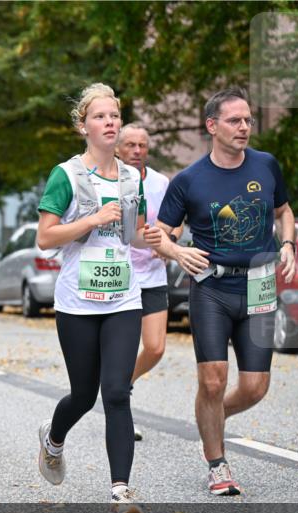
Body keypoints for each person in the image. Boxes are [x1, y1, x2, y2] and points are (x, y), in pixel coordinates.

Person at [148, 87, 296, 496]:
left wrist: (288, 244)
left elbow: (284, 213)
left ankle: (209, 421)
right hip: (211, 287)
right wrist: (177, 251)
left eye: (248, 120)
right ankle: (217, 463)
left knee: (255, 388)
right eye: (235, 120)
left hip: (260, 284)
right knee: (212, 381)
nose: (244, 127)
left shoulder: (266, 166)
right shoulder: (189, 180)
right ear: (212, 126)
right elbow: (160, 235)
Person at [35, 83, 155, 513]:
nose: (110, 123)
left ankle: (120, 494)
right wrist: (90, 219)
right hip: (77, 302)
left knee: (117, 392)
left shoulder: (131, 177)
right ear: (83, 126)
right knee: (84, 395)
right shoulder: (66, 175)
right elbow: (45, 239)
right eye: (101, 117)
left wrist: (160, 240)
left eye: (115, 116)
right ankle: (53, 439)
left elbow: (133, 233)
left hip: (124, 297)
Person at [117, 123, 173, 441]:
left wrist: (170, 241)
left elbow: (170, 221)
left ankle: (123, 385)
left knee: (155, 347)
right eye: (131, 145)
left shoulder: (160, 182)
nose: (137, 151)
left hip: (152, 273)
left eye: (142, 145)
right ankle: (122, 410)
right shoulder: (109, 180)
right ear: (117, 148)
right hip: (121, 276)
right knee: (125, 348)